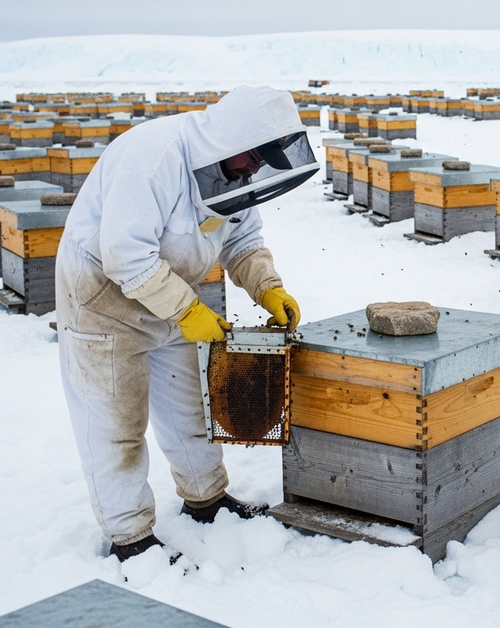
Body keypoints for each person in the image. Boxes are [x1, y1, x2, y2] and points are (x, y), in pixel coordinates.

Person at [55, 85, 319, 562]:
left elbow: (243, 239)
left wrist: (268, 287)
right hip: (102, 298)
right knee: (116, 422)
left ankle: (206, 498)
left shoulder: (233, 173)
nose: (256, 169)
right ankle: (130, 535)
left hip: (169, 296)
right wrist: (189, 311)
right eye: (254, 158)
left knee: (189, 410)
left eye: (264, 161)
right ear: (231, 141)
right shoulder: (152, 160)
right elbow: (126, 256)